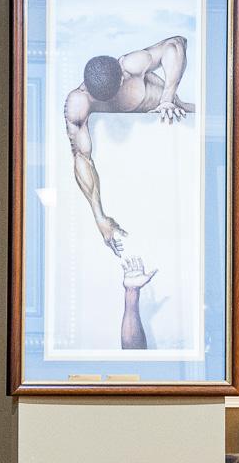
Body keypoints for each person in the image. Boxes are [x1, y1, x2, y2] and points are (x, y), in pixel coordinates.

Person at [62, 35, 192, 349]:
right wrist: (98, 216)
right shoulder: (80, 102)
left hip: (171, 125)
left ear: (122, 76)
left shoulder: (131, 65)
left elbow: (176, 44)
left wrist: (168, 96)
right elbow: (82, 157)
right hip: (132, 165)